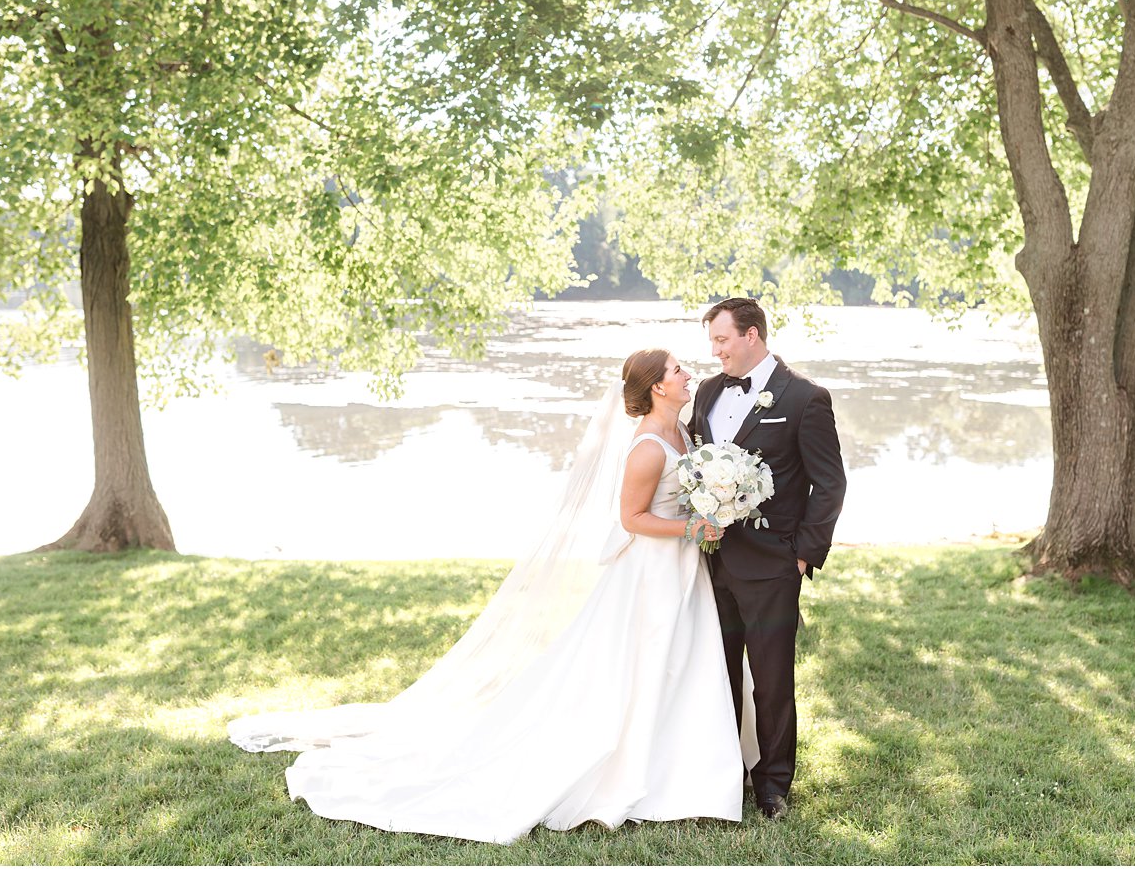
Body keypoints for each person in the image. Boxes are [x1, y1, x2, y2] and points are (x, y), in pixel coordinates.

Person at [229, 348, 754, 844]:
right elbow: (630, 519)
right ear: (658, 385)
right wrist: (691, 530)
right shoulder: (646, 446)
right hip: (651, 573)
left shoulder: (681, 431)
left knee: (682, 660)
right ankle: (643, 773)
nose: (688, 374)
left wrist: (711, 510)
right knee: (648, 662)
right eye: (678, 369)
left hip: (683, 568)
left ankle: (683, 769)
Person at [692, 297, 847, 821]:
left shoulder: (805, 398)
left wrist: (803, 555)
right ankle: (722, 771)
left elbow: (829, 484)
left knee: (773, 679)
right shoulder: (709, 392)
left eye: (722, 340)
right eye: (713, 341)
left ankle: (773, 785)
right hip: (710, 562)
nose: (714, 353)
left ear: (752, 335)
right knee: (718, 672)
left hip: (773, 565)